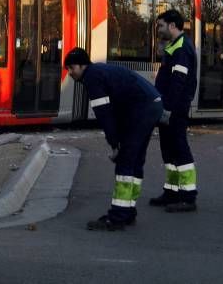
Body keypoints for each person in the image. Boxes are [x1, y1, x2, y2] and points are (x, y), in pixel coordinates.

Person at [64, 47, 164, 231]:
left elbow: (104, 115)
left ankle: (117, 217)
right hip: (152, 104)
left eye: (71, 68)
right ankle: (127, 211)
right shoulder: (100, 71)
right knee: (135, 160)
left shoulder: (92, 77)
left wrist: (115, 144)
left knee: (125, 162)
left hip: (141, 109)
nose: (69, 73)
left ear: (82, 65)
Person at [150, 10, 199, 212]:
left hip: (175, 109)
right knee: (169, 151)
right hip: (169, 108)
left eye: (161, 25)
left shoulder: (182, 49)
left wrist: (168, 109)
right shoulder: (175, 46)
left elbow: (178, 83)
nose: (159, 29)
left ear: (172, 25)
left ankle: (188, 196)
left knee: (179, 149)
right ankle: (171, 192)